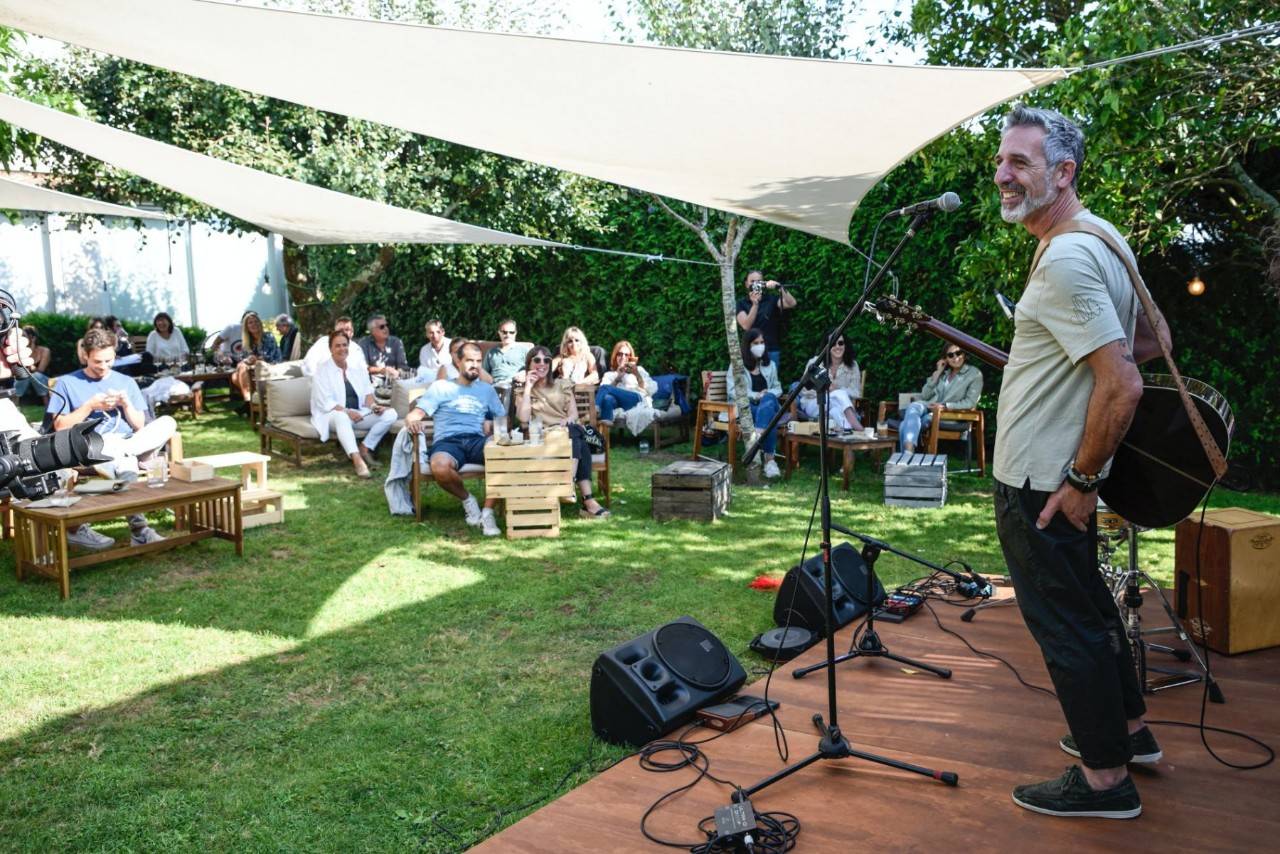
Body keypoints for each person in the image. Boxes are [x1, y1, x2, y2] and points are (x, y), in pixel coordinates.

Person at [992, 105, 1170, 820]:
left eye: (1021, 163)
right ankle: (1129, 736)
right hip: (1054, 479)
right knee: (1093, 614)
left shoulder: (1067, 255)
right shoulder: (1102, 238)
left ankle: (1104, 781)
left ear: (1063, 173)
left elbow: (1126, 377)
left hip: (1043, 484)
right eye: (1001, 161)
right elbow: (1154, 338)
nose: (1003, 175)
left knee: (1066, 629)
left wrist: (1082, 480)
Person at [48, 328, 176, 548]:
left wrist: (126, 405)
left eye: (109, 360)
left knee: (167, 423)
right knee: (126, 464)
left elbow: (138, 425)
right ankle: (140, 530)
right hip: (90, 445)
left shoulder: (125, 381)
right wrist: (89, 406)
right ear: (85, 356)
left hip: (126, 443)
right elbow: (60, 426)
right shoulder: (67, 383)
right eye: (98, 361)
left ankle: (130, 455)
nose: (104, 367)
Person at [404, 341, 505, 536]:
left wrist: (490, 422)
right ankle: (468, 500)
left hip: (477, 440)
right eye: (469, 360)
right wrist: (412, 422)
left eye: (478, 361)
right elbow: (413, 415)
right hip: (449, 441)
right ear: (457, 361)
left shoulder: (486, 390)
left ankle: (488, 512)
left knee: (502, 454)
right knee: (440, 466)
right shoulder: (441, 387)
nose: (474, 365)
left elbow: (502, 419)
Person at [515, 345, 610, 518]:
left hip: (567, 435)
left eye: (546, 360)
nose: (542, 363)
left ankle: (571, 486)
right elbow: (523, 418)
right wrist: (528, 387)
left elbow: (573, 413)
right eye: (537, 360)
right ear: (529, 363)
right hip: (543, 438)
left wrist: (568, 420)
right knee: (578, 436)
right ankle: (587, 500)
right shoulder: (522, 391)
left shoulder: (562, 385)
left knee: (575, 434)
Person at [310, 331, 397, 478]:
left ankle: (365, 447)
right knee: (341, 417)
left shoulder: (357, 367)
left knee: (390, 414)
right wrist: (347, 412)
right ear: (330, 348)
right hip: (331, 415)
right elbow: (325, 402)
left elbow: (367, 394)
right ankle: (357, 460)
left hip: (358, 413)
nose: (342, 348)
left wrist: (374, 407)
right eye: (337, 346)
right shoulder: (322, 369)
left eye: (345, 345)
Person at [896, 342, 983, 452]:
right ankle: (908, 454)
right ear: (945, 359)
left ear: (964, 354)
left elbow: (970, 402)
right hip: (930, 408)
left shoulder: (974, 374)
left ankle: (907, 455)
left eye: (958, 353)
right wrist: (937, 373)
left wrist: (944, 405)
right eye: (950, 355)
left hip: (949, 414)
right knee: (914, 406)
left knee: (904, 425)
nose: (955, 357)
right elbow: (925, 395)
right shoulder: (944, 374)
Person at [725, 328, 783, 478]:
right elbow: (733, 391)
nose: (760, 345)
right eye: (756, 343)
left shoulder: (770, 365)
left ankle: (758, 433)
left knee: (769, 399)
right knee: (769, 415)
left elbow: (778, 387)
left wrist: (767, 395)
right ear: (748, 346)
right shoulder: (737, 366)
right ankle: (770, 462)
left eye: (762, 342)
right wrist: (756, 395)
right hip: (748, 406)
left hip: (768, 405)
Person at [797, 335, 862, 432]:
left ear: (845, 345)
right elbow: (804, 390)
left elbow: (856, 393)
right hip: (814, 404)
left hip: (838, 407)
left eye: (840, 343)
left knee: (835, 409)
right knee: (838, 395)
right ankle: (858, 426)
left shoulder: (852, 365)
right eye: (833, 343)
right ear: (826, 345)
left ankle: (849, 433)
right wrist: (826, 390)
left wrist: (836, 390)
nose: (837, 346)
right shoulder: (815, 362)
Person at [735, 270, 797, 368]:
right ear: (746, 284)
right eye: (752, 281)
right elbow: (746, 325)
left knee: (771, 381)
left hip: (771, 350)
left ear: (763, 283)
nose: (756, 284)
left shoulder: (771, 299)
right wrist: (755, 304)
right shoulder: (741, 303)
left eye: (759, 281)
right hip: (750, 350)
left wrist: (779, 287)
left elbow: (792, 303)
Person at [595, 340, 657, 430]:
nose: (623, 357)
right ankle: (607, 423)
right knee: (607, 398)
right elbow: (604, 394)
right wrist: (617, 378)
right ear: (615, 356)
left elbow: (650, 389)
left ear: (630, 357)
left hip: (637, 399)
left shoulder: (638, 370)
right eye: (619, 354)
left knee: (605, 388)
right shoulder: (609, 375)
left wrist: (637, 374)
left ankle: (595, 409)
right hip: (619, 404)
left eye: (626, 354)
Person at [229, 311, 282, 404]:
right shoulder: (247, 341)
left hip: (271, 366)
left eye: (256, 321)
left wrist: (255, 359)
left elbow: (269, 357)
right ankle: (249, 399)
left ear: (260, 323)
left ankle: (248, 402)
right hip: (254, 369)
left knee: (238, 373)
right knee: (235, 374)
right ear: (247, 327)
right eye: (250, 322)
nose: (254, 324)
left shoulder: (268, 336)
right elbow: (243, 357)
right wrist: (249, 359)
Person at [482, 318, 530, 403]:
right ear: (499, 332)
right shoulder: (491, 352)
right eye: (504, 332)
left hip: (514, 386)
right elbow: (483, 373)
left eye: (511, 332)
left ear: (516, 333)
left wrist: (525, 373)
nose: (508, 335)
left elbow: (533, 370)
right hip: (495, 386)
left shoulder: (524, 350)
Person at [303, 316, 368, 377]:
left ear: (352, 333)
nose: (344, 332)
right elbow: (309, 364)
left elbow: (362, 369)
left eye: (347, 329)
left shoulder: (356, 348)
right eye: (340, 330)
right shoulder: (323, 342)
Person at [358, 313, 410, 382]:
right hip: (372, 383)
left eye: (386, 325)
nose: (386, 328)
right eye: (382, 327)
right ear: (372, 331)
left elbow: (402, 366)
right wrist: (382, 370)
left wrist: (397, 373)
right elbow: (363, 367)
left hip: (395, 380)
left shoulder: (396, 342)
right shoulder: (364, 343)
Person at [13, 325, 51, 405]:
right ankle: (15, 405)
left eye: (24, 336)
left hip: (43, 378)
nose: (21, 339)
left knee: (36, 375)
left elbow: (40, 370)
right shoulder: (20, 351)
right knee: (23, 375)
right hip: (26, 378)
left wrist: (32, 348)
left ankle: (48, 406)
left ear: (32, 337)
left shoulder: (45, 351)